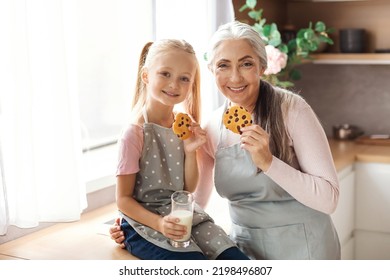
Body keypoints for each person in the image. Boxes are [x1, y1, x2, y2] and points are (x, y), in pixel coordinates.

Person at [111, 21, 341, 260]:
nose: (234, 77)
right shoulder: (211, 127)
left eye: (246, 64)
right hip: (244, 249)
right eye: (223, 65)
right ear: (212, 71)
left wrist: (269, 162)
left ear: (262, 67)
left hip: (305, 249)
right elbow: (193, 199)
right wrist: (136, 229)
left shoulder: (292, 109)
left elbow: (329, 200)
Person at [114, 39, 249, 260]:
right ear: (146, 76)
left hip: (182, 216)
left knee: (234, 259)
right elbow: (123, 200)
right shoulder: (134, 133)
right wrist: (159, 223)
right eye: (165, 74)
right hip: (143, 224)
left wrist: (190, 150)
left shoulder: (183, 126)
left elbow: (188, 188)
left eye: (184, 79)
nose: (174, 85)